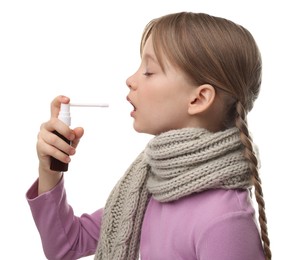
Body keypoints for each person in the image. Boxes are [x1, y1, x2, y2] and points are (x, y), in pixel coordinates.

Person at [26, 12, 271, 260]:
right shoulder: (147, 185)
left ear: (198, 98)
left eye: (149, 71)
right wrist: (50, 170)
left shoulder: (224, 220)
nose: (130, 80)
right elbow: (67, 245)